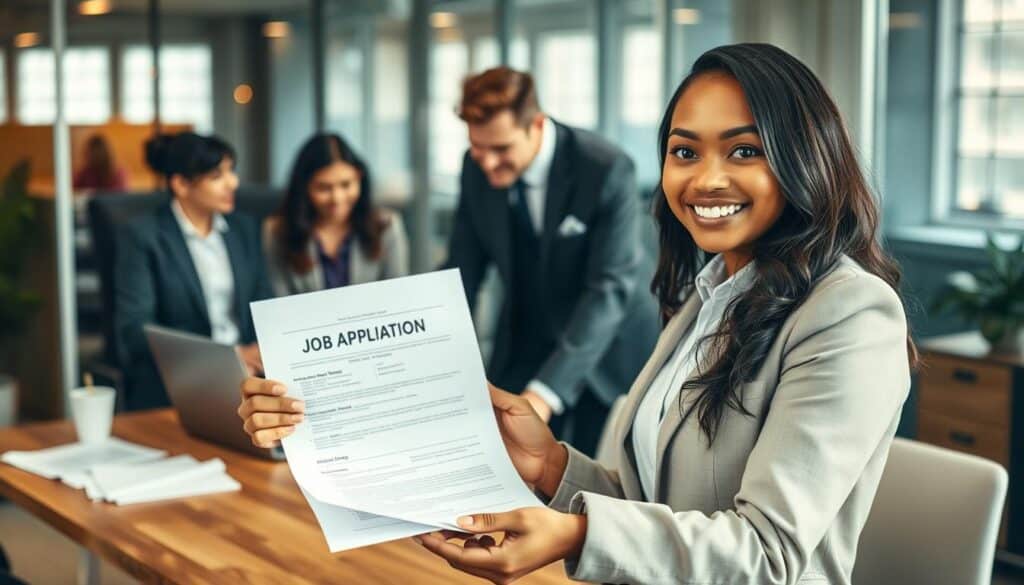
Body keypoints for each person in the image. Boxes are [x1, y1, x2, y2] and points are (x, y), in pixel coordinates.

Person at [238, 43, 918, 585]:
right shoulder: (708, 296)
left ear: (803, 157)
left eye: (743, 150)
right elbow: (658, 500)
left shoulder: (851, 314)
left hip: (583, 362)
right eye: (685, 151)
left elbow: (767, 553)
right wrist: (552, 465)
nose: (706, 178)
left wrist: (579, 531)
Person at [443, 66, 660, 456]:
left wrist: (545, 394)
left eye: (501, 149)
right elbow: (462, 271)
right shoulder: (474, 169)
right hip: (526, 337)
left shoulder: (605, 168)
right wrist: (435, 357)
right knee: (503, 459)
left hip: (605, 347)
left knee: (592, 480)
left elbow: (608, 289)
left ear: (536, 125)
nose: (488, 162)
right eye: (478, 147)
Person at [115, 132, 273, 410]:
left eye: (231, 172)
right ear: (180, 184)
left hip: (249, 378)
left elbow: (267, 305)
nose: (233, 183)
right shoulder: (144, 236)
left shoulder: (244, 230)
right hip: (177, 383)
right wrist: (228, 357)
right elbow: (136, 331)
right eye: (216, 176)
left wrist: (258, 352)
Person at [263, 133, 408, 296]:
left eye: (346, 185)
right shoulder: (276, 230)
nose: (337, 198)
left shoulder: (387, 225)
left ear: (360, 177)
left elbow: (397, 296)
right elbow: (278, 302)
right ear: (304, 187)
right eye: (324, 188)